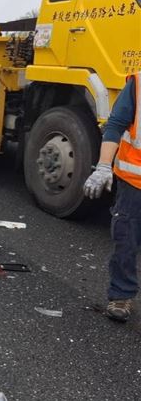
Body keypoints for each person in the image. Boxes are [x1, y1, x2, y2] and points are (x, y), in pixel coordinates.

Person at [83, 72, 141, 322]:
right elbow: (116, 124)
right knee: (126, 238)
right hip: (135, 181)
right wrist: (104, 166)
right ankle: (122, 295)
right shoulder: (138, 85)